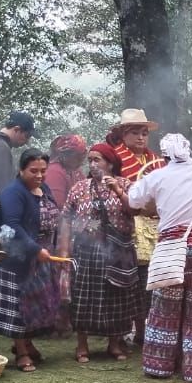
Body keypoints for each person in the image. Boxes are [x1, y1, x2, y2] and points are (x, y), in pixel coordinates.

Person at [129, 133, 192, 382]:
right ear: (188, 151)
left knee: (165, 307)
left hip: (170, 249)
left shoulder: (157, 175)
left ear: (164, 155)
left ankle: (159, 366)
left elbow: (133, 199)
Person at [63, 142, 140, 362]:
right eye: (90, 160)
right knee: (84, 298)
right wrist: (65, 246)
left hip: (117, 250)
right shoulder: (80, 187)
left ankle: (114, 344)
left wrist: (117, 189)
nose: (93, 164)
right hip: (87, 250)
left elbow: (135, 209)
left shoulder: (126, 184)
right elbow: (66, 217)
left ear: (110, 163)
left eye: (97, 159)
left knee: (116, 297)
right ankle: (82, 345)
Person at [0, 147, 63, 371]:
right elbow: (11, 225)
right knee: (19, 307)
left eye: (43, 171)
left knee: (35, 305)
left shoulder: (45, 189)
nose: (39, 176)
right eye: (34, 171)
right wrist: (34, 249)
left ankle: (28, 344)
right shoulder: (14, 192)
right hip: (19, 259)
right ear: (21, 170)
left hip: (42, 256)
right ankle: (21, 352)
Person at [105, 108, 162, 342]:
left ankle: (145, 327)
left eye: (144, 133)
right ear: (123, 134)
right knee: (132, 278)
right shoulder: (115, 158)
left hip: (154, 225)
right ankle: (126, 328)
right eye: (135, 132)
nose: (141, 138)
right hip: (127, 224)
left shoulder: (154, 159)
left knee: (150, 277)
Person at [44, 133, 87, 211]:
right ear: (66, 155)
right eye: (78, 157)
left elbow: (86, 192)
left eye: (83, 155)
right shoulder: (54, 172)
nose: (82, 161)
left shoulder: (75, 171)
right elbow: (57, 206)